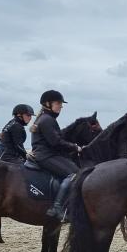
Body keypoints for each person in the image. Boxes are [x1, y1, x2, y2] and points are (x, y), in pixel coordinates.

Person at [30, 90, 81, 221]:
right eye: (58, 103)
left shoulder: (45, 118)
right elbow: (55, 142)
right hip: (46, 156)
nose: (61, 106)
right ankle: (57, 208)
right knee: (74, 174)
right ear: (47, 104)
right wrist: (75, 147)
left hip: (46, 154)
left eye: (61, 104)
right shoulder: (47, 120)